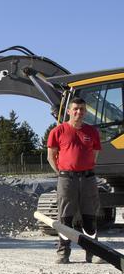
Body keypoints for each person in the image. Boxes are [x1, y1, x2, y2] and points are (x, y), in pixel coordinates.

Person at [47, 97, 102, 264]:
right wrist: (63, 173)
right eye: (76, 109)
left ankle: (92, 252)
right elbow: (51, 156)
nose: (79, 112)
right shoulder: (58, 131)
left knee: (89, 216)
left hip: (88, 179)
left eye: (82, 109)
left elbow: (94, 155)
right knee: (65, 217)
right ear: (69, 111)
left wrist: (85, 169)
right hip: (67, 179)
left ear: (85, 112)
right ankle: (63, 253)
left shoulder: (92, 131)